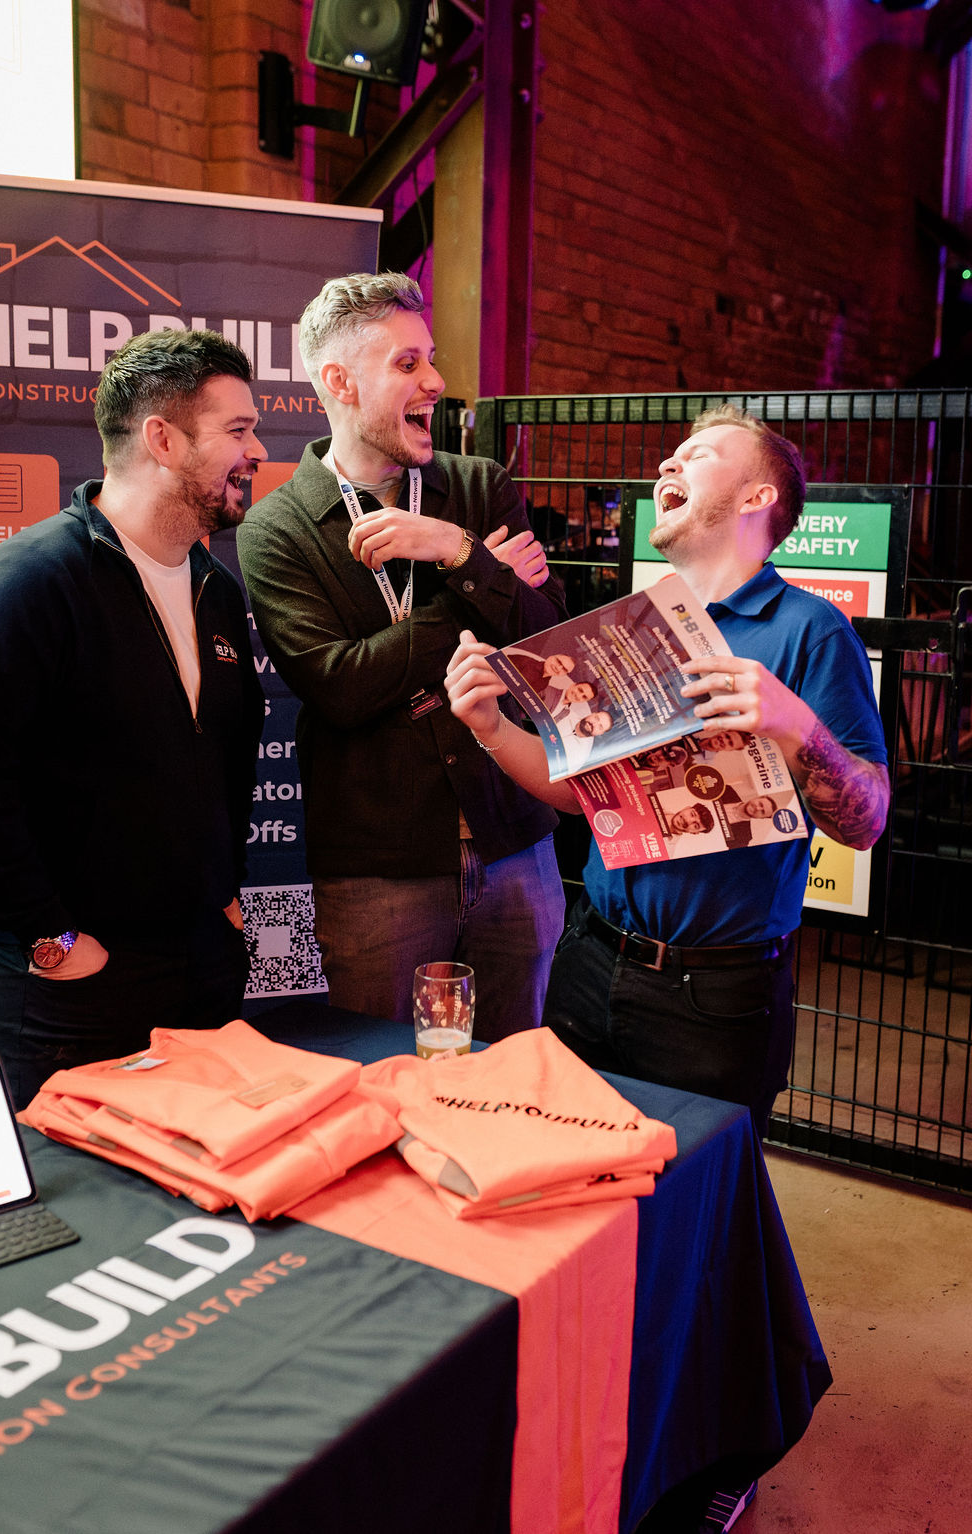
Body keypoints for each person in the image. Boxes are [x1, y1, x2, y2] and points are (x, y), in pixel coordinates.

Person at [445, 401, 889, 1132]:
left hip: (715, 996)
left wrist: (792, 723)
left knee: (694, 1187)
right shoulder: (637, 622)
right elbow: (581, 795)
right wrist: (490, 727)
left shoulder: (811, 630)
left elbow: (865, 822)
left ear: (757, 496)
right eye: (674, 454)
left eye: (700, 454)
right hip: (588, 959)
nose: (668, 463)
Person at [237, 271, 567, 1040]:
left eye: (431, 358)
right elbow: (341, 688)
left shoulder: (479, 487)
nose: (436, 381)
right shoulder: (276, 529)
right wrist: (472, 581)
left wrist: (454, 545)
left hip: (515, 849)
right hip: (376, 875)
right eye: (407, 363)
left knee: (516, 1078)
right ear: (339, 381)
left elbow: (544, 641)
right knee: (386, 1080)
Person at [0, 329, 267, 1109]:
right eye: (237, 429)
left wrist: (226, 898)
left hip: (203, 973)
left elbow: (230, 762)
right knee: (77, 1191)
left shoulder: (217, 590)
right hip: (74, 995)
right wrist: (51, 939)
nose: (257, 451)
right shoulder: (26, 582)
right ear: (163, 439)